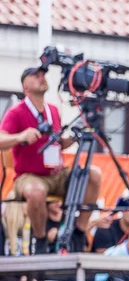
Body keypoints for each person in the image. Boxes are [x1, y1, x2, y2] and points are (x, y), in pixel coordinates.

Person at [0, 66, 99, 250]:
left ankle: (79, 231)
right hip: (29, 176)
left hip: (56, 173)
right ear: (25, 86)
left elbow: (57, 143)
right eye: (36, 75)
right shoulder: (16, 112)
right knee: (36, 191)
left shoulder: (52, 110)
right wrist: (21, 137)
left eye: (43, 75)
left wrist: (74, 137)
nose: (42, 77)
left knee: (93, 175)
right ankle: (41, 239)